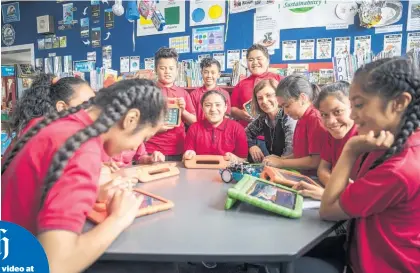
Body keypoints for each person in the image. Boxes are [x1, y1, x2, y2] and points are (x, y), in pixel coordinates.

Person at [1, 79, 174, 273]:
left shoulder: (47, 123)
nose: (136, 147)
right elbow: (56, 264)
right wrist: (119, 218)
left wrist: (94, 192)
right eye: (143, 138)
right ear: (131, 119)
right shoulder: (81, 149)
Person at [296, 57, 420, 273]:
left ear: (399, 102)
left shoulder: (399, 167)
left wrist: (349, 151)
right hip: (358, 251)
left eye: (360, 105)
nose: (353, 115)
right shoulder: (384, 141)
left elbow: (328, 209)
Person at [264, 75, 326, 177]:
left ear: (302, 98)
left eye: (287, 105)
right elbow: (301, 154)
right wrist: (281, 159)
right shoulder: (301, 118)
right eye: (282, 107)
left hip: (315, 178)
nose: (285, 111)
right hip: (303, 173)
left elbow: (315, 161)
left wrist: (281, 163)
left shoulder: (315, 119)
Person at [145, 47, 196, 161]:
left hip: (178, 149)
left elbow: (194, 122)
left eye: (171, 68)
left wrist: (183, 111)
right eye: (163, 68)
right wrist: (157, 128)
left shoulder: (183, 93)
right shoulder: (148, 92)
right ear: (156, 69)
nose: (167, 72)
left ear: (177, 70)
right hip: (152, 150)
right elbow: (139, 124)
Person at [231, 44, 282, 156]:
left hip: (275, 137)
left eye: (259, 59)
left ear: (267, 61)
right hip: (248, 136)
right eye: (251, 60)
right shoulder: (241, 84)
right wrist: (240, 113)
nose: (255, 62)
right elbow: (231, 108)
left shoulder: (279, 79)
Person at [184, 90, 247, 163]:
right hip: (199, 170)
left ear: (225, 107)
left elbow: (244, 159)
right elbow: (185, 158)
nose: (213, 109)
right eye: (208, 105)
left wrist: (236, 159)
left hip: (226, 171)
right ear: (202, 108)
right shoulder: (194, 128)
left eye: (218, 105)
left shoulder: (237, 128)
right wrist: (189, 155)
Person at [246, 79, 296, 163]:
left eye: (269, 95)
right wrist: (251, 146)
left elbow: (290, 152)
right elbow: (244, 134)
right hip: (276, 164)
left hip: (291, 166)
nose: (264, 101)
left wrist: (276, 163)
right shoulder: (263, 118)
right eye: (260, 98)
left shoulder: (288, 117)